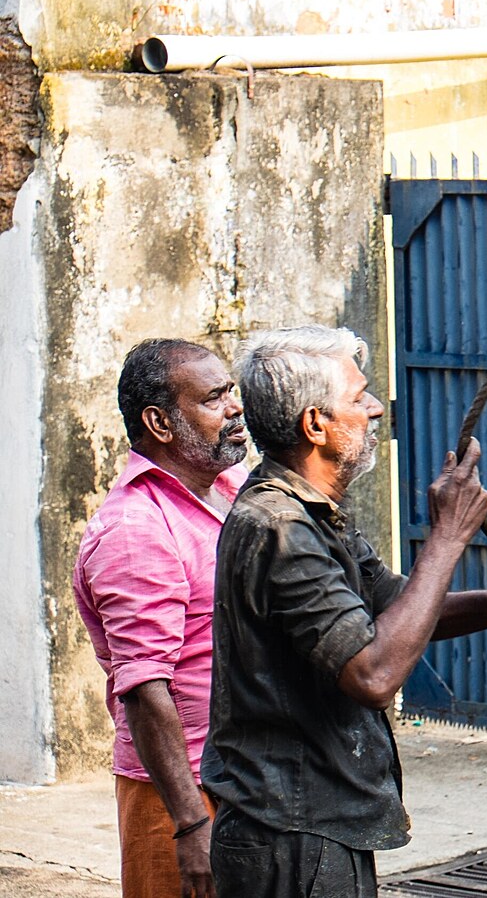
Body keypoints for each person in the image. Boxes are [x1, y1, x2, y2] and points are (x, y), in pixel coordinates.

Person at [203, 325, 487, 898]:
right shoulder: (282, 529)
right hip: (292, 832)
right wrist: (448, 538)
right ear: (315, 425)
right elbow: (374, 673)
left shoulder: (311, 511)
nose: (377, 407)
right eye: (358, 397)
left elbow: (394, 608)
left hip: (312, 824)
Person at [74, 339, 251, 898]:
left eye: (232, 392)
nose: (235, 407)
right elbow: (146, 686)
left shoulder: (229, 490)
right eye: (214, 398)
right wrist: (190, 824)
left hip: (242, 774)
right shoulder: (135, 529)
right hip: (179, 791)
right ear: (160, 422)